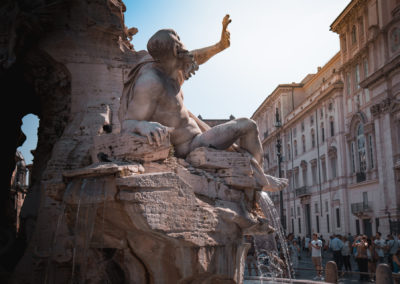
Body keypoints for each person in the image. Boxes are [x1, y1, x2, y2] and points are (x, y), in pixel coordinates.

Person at [118, 15, 288, 192]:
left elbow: (195, 57)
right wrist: (142, 126)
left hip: (197, 137)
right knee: (248, 125)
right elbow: (128, 124)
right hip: (190, 146)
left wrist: (220, 46)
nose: (184, 45)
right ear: (176, 49)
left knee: (246, 126)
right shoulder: (151, 82)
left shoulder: (172, 71)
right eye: (180, 40)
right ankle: (259, 180)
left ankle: (256, 174)